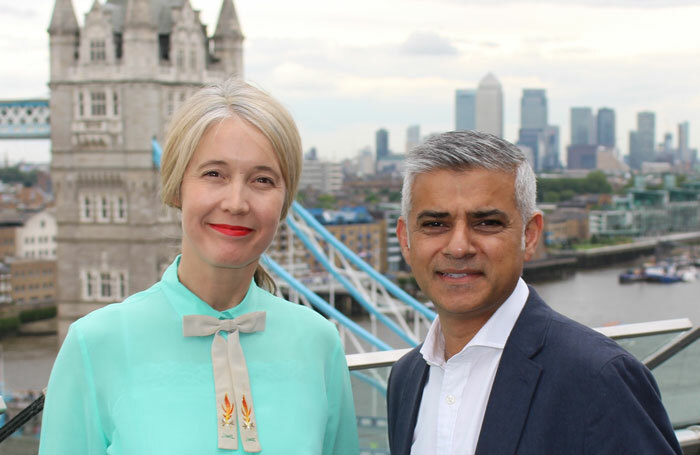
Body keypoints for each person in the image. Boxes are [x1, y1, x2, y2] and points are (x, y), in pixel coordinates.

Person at [40, 79, 359, 454]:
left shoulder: (319, 341)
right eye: (214, 174)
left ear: (285, 201)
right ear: (176, 186)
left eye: (262, 180)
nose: (236, 202)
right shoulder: (94, 344)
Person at [386, 130, 681, 454]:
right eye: (435, 224)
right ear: (405, 239)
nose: (458, 247)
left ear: (530, 235)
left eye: (486, 223)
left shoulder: (599, 378)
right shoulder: (406, 378)